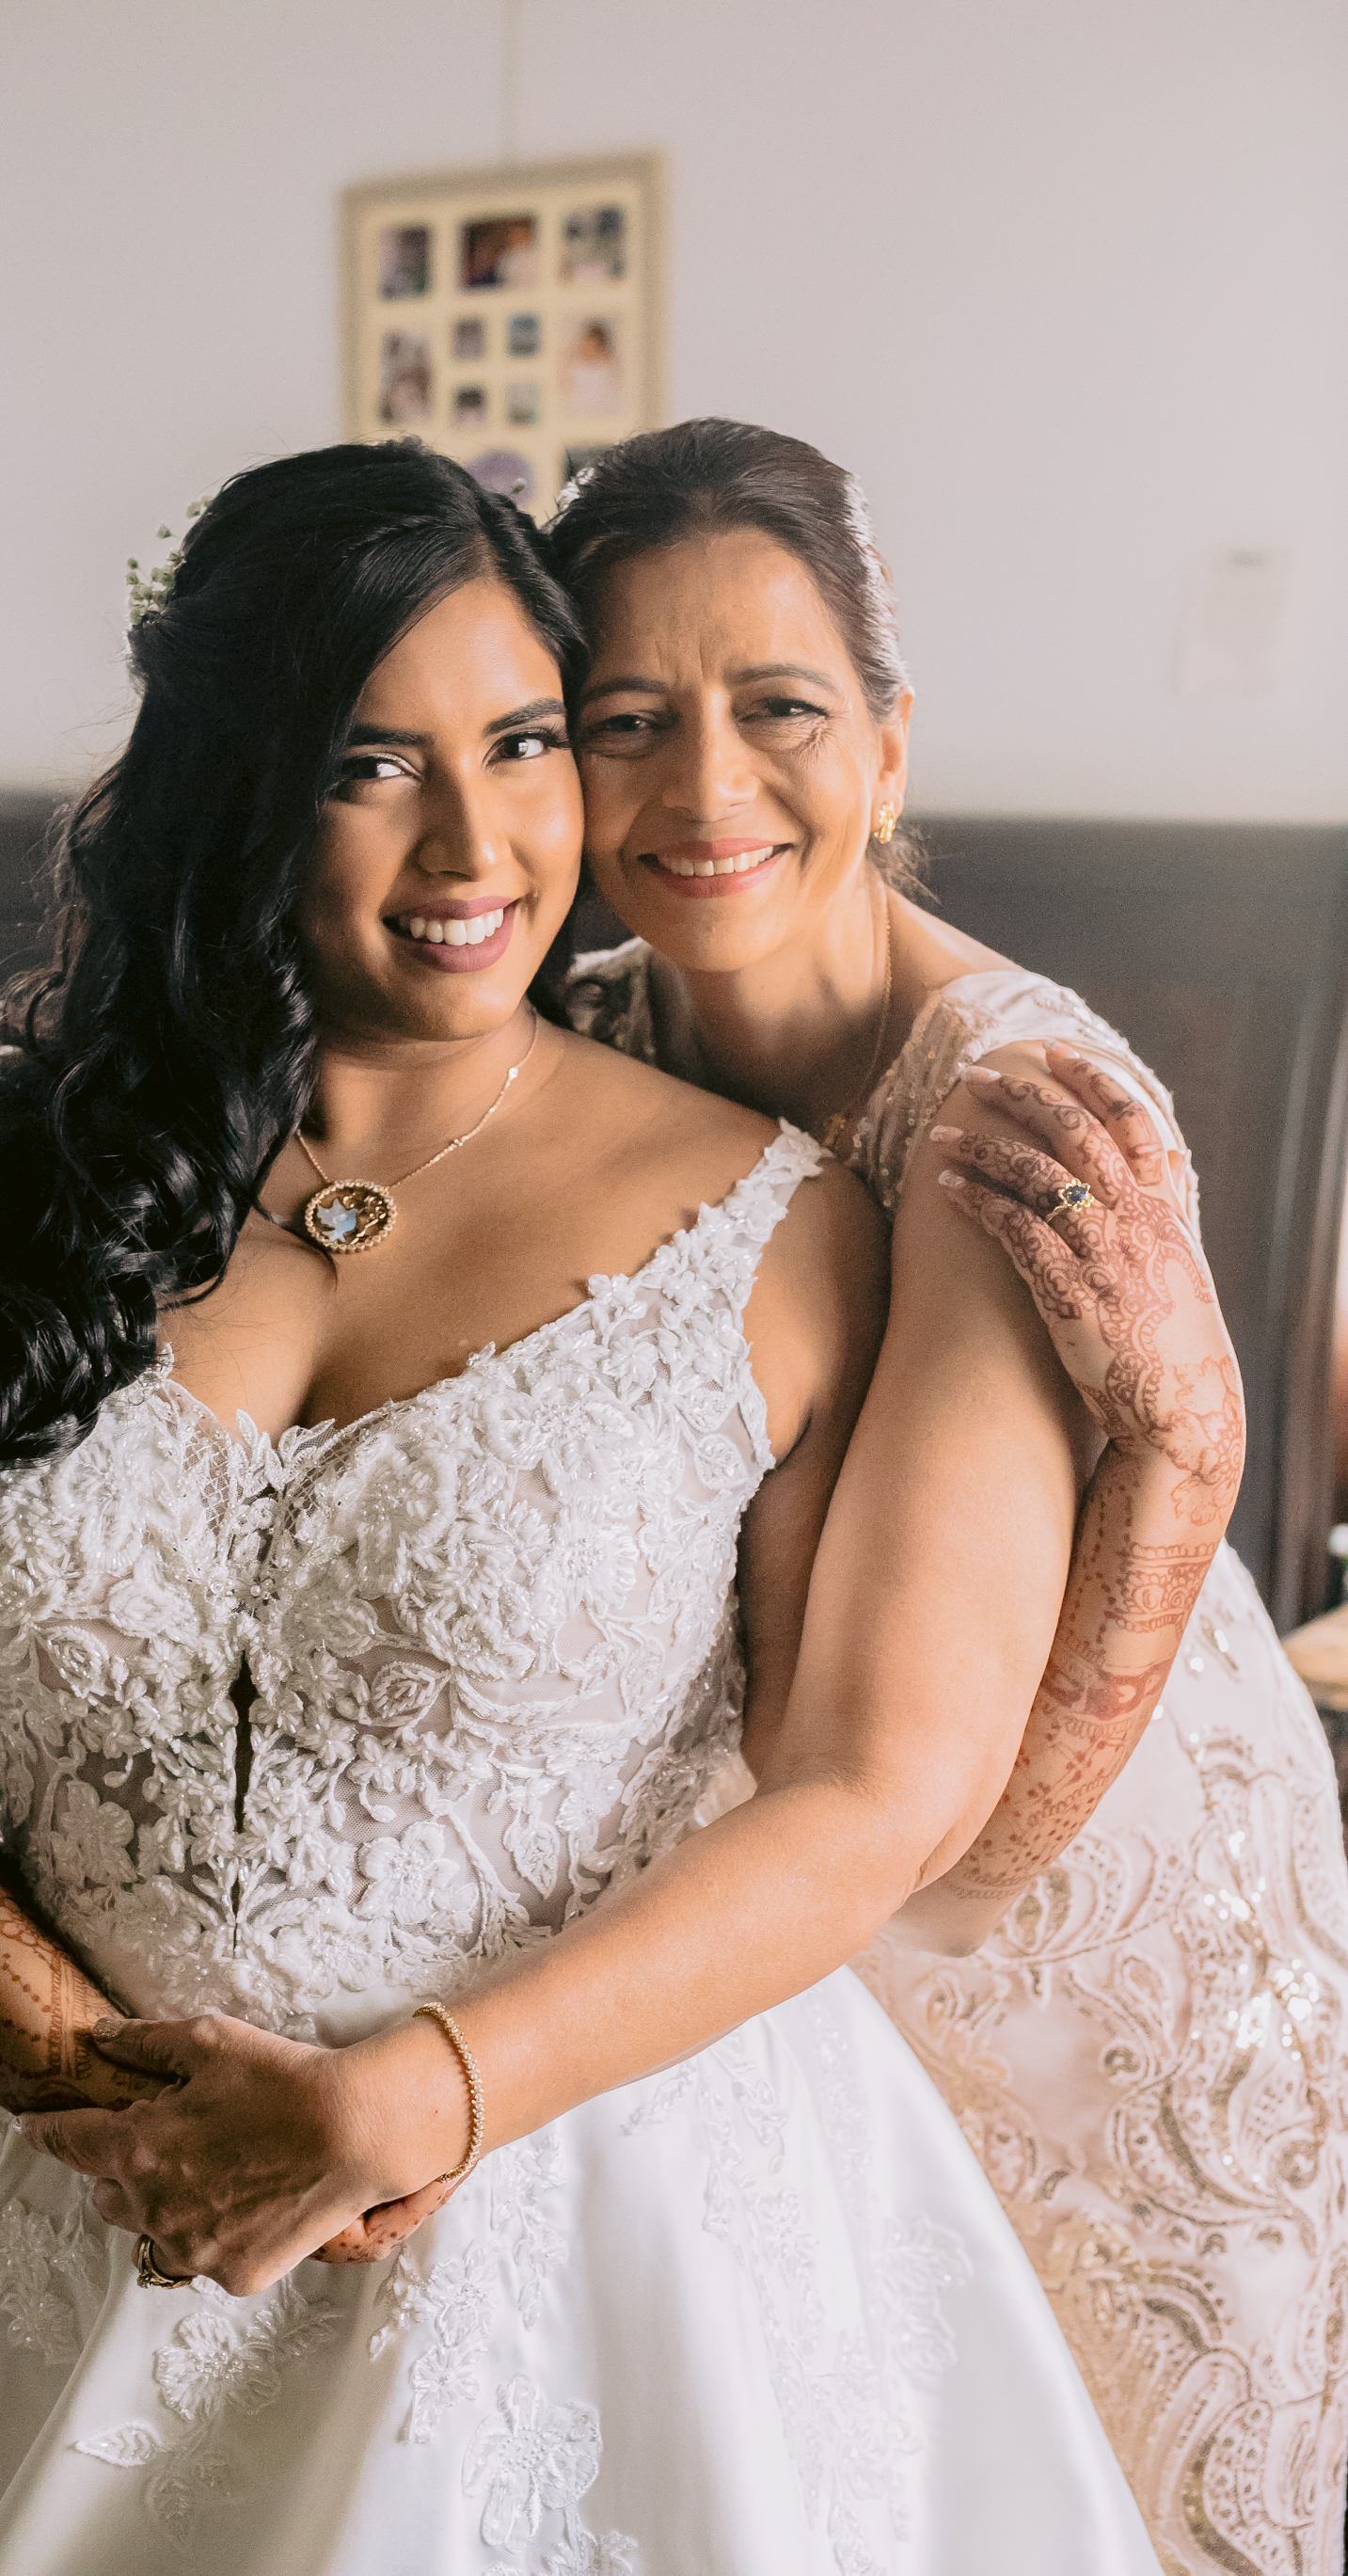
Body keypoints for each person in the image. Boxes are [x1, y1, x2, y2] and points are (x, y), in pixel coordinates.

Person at [0, 442, 1166, 2575]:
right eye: (369, 762)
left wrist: (413, 2098)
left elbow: (863, 1793)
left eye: (522, 743)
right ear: (231, 783)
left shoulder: (789, 1238)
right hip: (66, 2210)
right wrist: (102, 2100)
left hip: (583, 2254)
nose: (475, 843)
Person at [548, 418, 1348, 2575]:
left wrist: (1185, 1454)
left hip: (1084, 1914)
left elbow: (953, 1843)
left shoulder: (1019, 1110)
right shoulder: (576, 1041)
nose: (705, 785)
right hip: (803, 1907)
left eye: (778, 707)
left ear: (889, 744)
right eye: (627, 721)